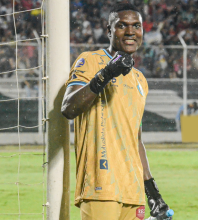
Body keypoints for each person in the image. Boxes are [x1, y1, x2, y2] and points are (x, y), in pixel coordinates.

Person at [61, 3, 172, 220]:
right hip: (101, 186)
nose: (130, 32)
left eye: (136, 26)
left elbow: (136, 139)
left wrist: (152, 191)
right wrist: (107, 72)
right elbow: (68, 108)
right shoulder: (90, 61)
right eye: (122, 26)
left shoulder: (140, 79)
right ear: (109, 30)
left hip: (133, 191)